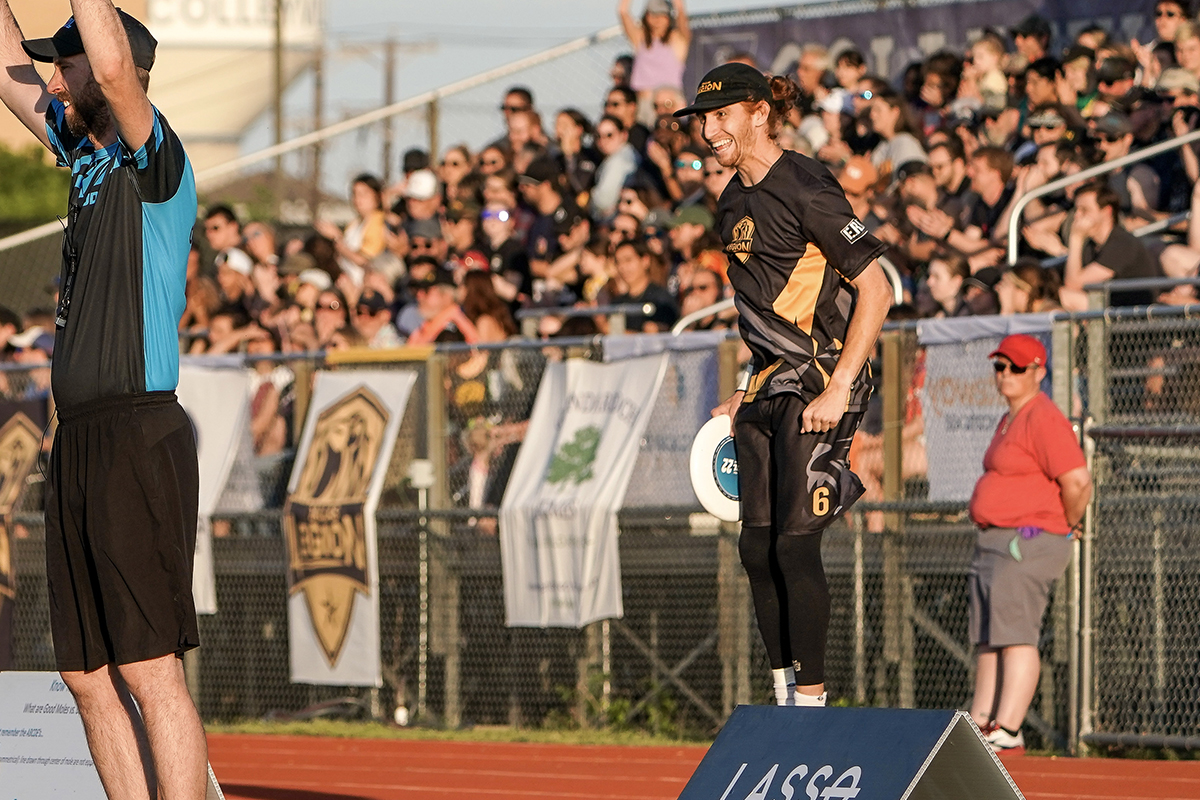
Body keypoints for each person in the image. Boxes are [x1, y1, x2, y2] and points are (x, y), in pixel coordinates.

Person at [0, 3, 208, 798]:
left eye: (67, 64)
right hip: (80, 437)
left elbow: (115, 72)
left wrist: (102, 58)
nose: (54, 81)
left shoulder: (153, 159)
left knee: (151, 668)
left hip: (136, 428)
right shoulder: (83, 155)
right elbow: (7, 70)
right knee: (86, 675)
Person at [681, 63, 893, 707]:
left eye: (721, 116)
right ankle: (782, 699)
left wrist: (840, 386)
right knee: (755, 548)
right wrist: (747, 386)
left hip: (823, 376)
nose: (709, 131)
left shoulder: (806, 184)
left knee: (795, 547)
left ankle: (812, 704)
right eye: (703, 120)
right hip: (770, 381)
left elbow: (877, 289)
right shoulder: (729, 201)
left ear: (758, 113)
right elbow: (764, 312)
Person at [967, 334, 1092, 752]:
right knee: (989, 637)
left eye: (1016, 367)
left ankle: (1009, 727)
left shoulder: (1043, 417)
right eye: (999, 366)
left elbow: (1078, 481)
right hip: (994, 540)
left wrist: (1066, 522)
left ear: (1038, 372)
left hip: (1026, 540)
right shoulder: (1011, 417)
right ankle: (981, 723)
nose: (1005, 374)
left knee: (1016, 635)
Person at [618, 0, 690, 99]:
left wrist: (679, 6)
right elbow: (623, 12)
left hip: (669, 101)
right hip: (645, 100)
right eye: (652, 15)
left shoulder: (677, 39)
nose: (657, 19)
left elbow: (681, 17)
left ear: (669, 17)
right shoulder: (640, 38)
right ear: (646, 17)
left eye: (662, 15)